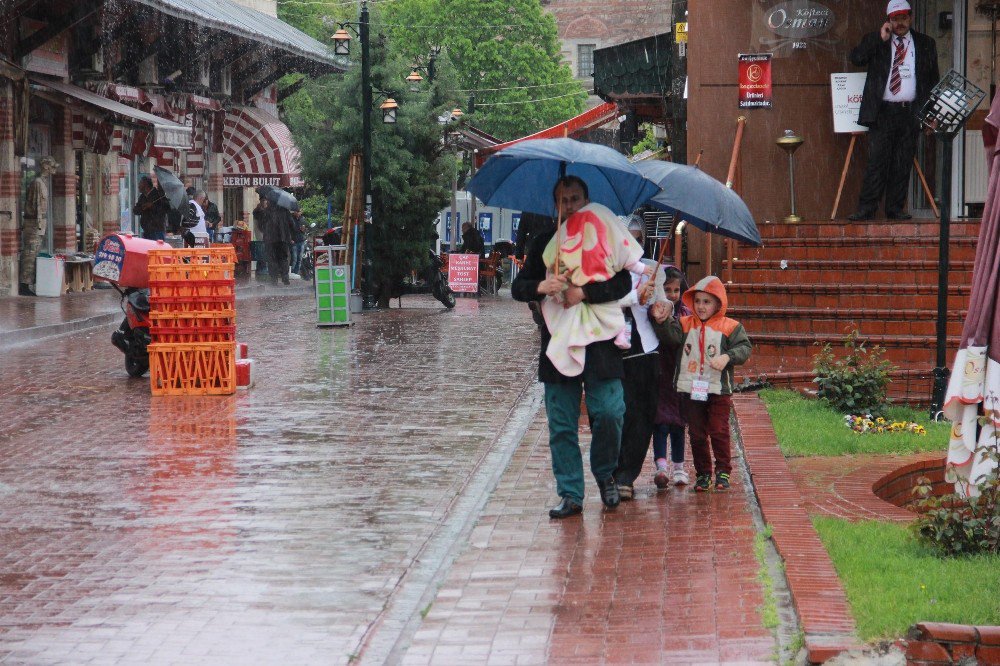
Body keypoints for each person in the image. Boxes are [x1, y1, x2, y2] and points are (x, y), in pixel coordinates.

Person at [511, 175, 635, 519]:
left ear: (586, 200)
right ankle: (570, 493)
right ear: (556, 205)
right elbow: (517, 287)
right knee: (562, 423)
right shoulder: (543, 244)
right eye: (563, 200)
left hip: (601, 343)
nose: (570, 205)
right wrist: (541, 284)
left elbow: (623, 281)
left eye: (575, 198)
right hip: (558, 345)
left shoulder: (604, 235)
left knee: (611, 412)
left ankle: (606, 473)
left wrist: (585, 292)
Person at [655, 276, 752, 492]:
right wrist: (662, 321)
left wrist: (727, 357)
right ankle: (703, 474)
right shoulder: (684, 324)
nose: (701, 306)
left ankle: (723, 470)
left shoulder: (731, 327)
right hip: (692, 389)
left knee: (718, 429)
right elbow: (670, 337)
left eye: (707, 302)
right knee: (697, 434)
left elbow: (744, 348)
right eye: (697, 301)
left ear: (719, 303)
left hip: (718, 389)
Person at [847, 0, 939, 222]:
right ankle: (866, 208)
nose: (900, 23)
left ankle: (895, 208)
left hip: (910, 111)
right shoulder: (877, 40)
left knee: (902, 161)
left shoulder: (925, 43)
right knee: (877, 161)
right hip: (883, 111)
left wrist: (932, 114)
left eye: (904, 18)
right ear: (888, 19)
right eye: (896, 18)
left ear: (911, 17)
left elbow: (933, 80)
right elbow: (857, 58)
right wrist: (881, 38)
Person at [611, 219, 667, 501]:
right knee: (613, 413)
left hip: (645, 350)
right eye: (627, 239)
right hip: (611, 350)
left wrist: (660, 307)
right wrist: (634, 296)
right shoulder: (606, 268)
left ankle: (626, 475)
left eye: (638, 239)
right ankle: (611, 469)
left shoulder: (652, 270)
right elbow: (603, 301)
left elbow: (663, 304)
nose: (633, 244)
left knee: (641, 415)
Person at [651, 266, 692, 488]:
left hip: (680, 375)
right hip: (660, 374)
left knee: (678, 422)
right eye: (667, 290)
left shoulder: (685, 313)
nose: (673, 295)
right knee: (660, 422)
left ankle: (679, 466)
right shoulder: (655, 311)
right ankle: (661, 466)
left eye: (676, 290)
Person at [19, 156, 57, 296]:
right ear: (46, 166)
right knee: (30, 254)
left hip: (38, 225)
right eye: (52, 166)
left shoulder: (43, 183)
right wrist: (38, 224)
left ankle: (30, 281)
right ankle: (24, 283)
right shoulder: (37, 183)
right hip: (34, 224)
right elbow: (35, 207)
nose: (54, 169)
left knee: (34, 253)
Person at [260, 198, 293, 285]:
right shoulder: (285, 211)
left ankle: (274, 279)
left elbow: (261, 224)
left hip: (270, 239)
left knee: (272, 259)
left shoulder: (267, 211)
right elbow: (291, 224)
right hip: (283, 239)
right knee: (283, 258)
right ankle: (285, 277)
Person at [133, 176, 169, 241]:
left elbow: (165, 209)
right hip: (146, 231)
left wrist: (152, 206)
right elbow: (135, 210)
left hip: (157, 231)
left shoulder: (158, 195)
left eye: (140, 184)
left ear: (146, 185)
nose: (138, 186)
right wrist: (143, 207)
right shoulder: (142, 197)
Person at [290, 210, 307, 275]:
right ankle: (292, 272)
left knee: (300, 258)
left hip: (301, 241)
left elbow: (305, 229)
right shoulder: (291, 219)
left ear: (301, 212)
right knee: (294, 258)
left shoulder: (302, 219)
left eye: (299, 211)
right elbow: (288, 230)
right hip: (294, 241)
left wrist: (304, 229)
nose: (297, 213)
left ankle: (296, 273)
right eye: (296, 211)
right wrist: (290, 239)